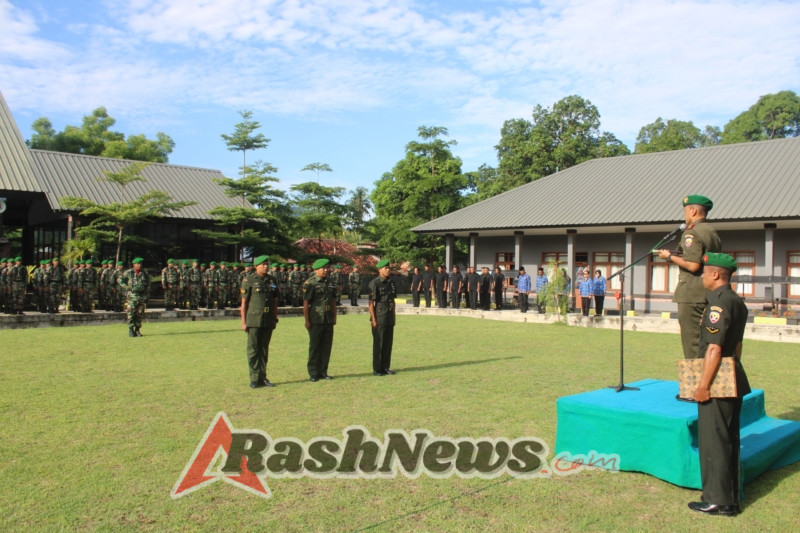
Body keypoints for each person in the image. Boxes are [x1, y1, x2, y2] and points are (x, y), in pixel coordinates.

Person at [687, 253, 750, 517]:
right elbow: (737, 346)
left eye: (704, 272)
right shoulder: (738, 302)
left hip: (716, 380)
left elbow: (714, 348)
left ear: (715, 274)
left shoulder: (719, 303)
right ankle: (729, 498)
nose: (701, 276)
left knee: (714, 440)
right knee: (728, 438)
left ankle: (717, 500)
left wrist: (703, 386)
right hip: (731, 373)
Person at [655, 195, 721, 359]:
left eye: (686, 211)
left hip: (692, 293)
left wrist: (669, 257)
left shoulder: (692, 233)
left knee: (692, 343)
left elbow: (693, 265)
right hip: (708, 291)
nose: (685, 215)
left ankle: (697, 382)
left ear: (693, 210)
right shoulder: (711, 232)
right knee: (706, 340)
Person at [240, 255, 279, 389]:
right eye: (263, 264)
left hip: (267, 319)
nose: (266, 266)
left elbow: (274, 301)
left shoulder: (272, 280)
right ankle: (254, 378)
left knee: (264, 350)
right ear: (256, 266)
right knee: (253, 350)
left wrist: (275, 318)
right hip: (254, 319)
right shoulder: (249, 280)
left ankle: (263, 377)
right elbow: (244, 303)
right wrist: (243, 322)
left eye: (267, 264)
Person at [303, 258, 337, 382]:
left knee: (326, 346)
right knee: (315, 347)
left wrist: (334, 316)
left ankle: (323, 371)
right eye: (323, 268)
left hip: (328, 318)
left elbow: (333, 300)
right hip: (316, 319)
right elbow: (306, 303)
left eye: (327, 268)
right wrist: (307, 321)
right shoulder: (310, 283)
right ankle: (313, 372)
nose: (326, 270)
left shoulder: (330, 282)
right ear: (316, 269)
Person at [369, 259, 397, 376]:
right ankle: (377, 368)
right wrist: (374, 320)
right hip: (380, 317)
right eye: (385, 268)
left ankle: (385, 367)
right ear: (379, 270)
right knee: (379, 344)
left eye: (388, 268)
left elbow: (393, 300)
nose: (388, 270)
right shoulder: (374, 283)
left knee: (388, 344)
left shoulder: (391, 282)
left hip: (389, 316)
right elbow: (371, 303)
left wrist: (394, 316)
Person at [118, 257, 150, 337]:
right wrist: (126, 287)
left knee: (140, 313)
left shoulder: (145, 273)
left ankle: (137, 329)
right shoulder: (129, 272)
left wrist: (147, 294)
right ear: (134, 265)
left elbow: (148, 284)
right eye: (137, 264)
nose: (139, 265)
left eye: (140, 264)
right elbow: (119, 280)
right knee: (131, 313)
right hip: (132, 296)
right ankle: (131, 329)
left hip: (142, 296)